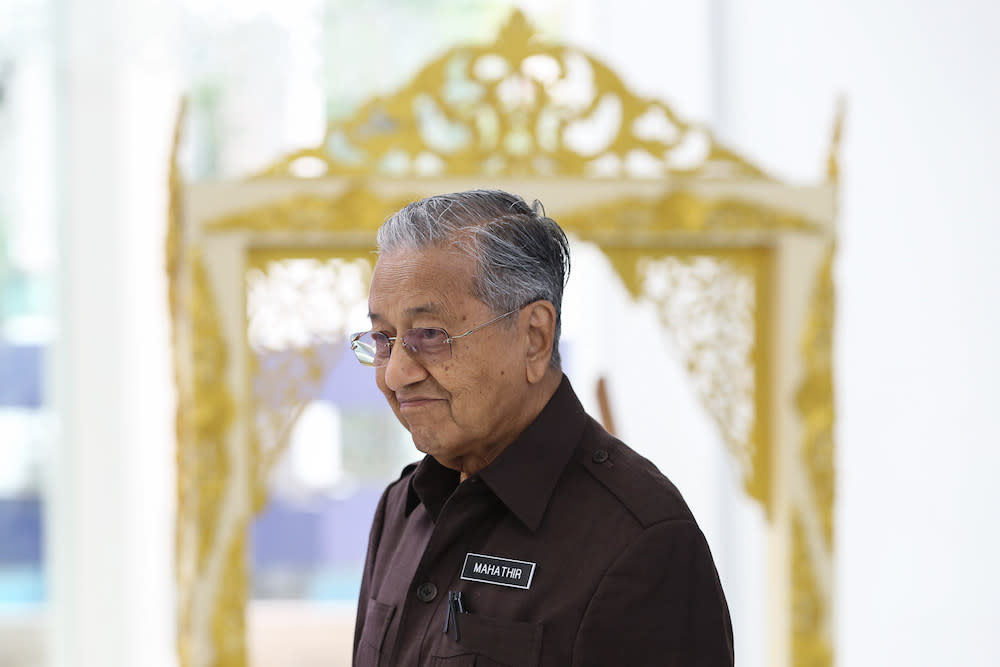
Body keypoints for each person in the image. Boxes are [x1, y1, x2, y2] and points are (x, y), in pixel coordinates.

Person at [349, 189, 733, 666]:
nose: (394, 374)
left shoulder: (639, 541)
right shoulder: (403, 510)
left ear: (534, 337)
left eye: (429, 335)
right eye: (382, 339)